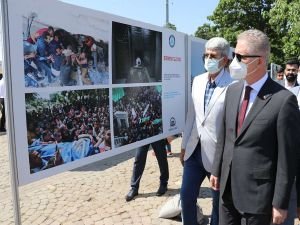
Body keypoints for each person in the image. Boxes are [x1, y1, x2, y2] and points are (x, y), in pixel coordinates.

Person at [210, 29, 300, 225]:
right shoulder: (232, 91)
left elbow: (288, 157)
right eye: (235, 55)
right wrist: (217, 169)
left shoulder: (284, 101)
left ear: (260, 60)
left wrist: (280, 203)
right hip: (227, 191)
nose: (235, 61)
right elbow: (225, 134)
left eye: (241, 57)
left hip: (258, 199)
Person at [180, 37, 233, 225]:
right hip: (194, 151)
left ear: (225, 59)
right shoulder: (198, 80)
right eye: (206, 55)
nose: (208, 59)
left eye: (213, 56)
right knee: (186, 197)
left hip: (218, 157)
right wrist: (184, 144)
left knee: (218, 204)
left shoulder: (233, 84)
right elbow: (191, 115)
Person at [0, 65, 6, 132]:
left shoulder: (1, 81)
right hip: (4, 99)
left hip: (1, 98)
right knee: (4, 114)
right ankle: (2, 128)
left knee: (3, 114)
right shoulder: (4, 82)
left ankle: (2, 127)